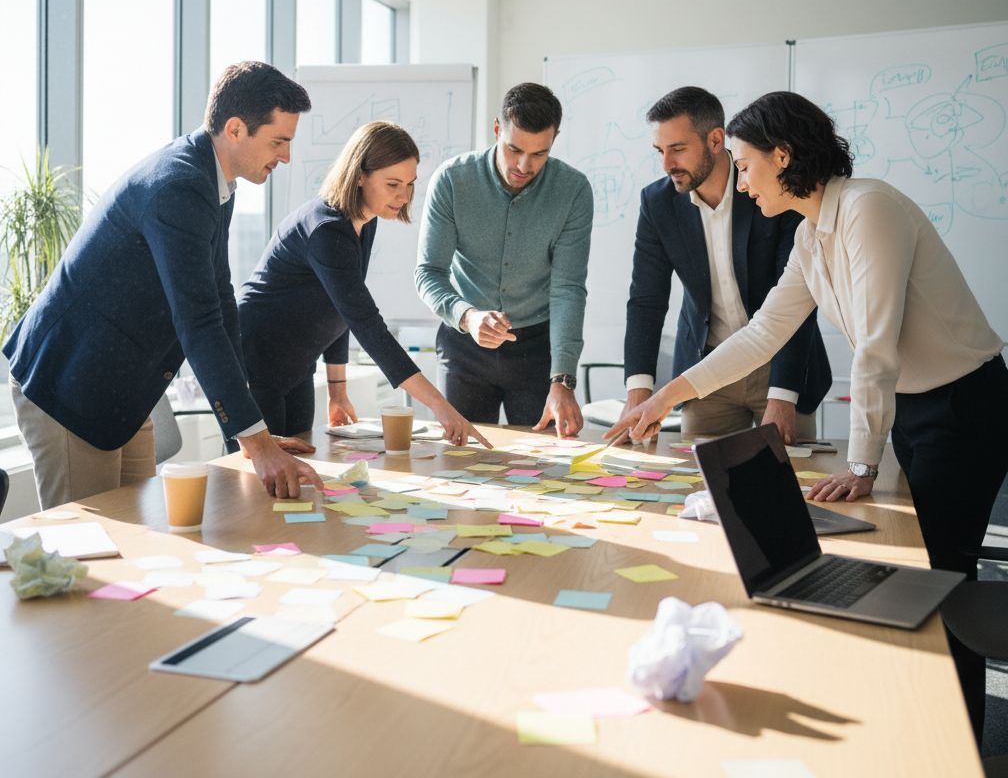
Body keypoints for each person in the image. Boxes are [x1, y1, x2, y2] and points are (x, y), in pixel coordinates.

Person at [606, 90, 1008, 740]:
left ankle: (954, 736)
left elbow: (876, 346)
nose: (741, 184)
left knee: (943, 580)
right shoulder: (811, 235)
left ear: (784, 155)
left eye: (745, 166)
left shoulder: (868, 209)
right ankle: (935, 721)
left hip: (966, 405)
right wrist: (667, 395)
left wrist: (861, 461)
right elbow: (760, 336)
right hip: (918, 409)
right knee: (929, 569)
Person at [4, 61, 325, 507]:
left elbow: (219, 301)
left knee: (138, 540)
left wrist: (252, 434)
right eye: (279, 141)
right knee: (87, 555)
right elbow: (199, 321)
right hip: (71, 384)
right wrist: (257, 444)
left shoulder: (215, 183)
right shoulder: (180, 184)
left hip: (124, 388)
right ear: (235, 129)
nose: (286, 157)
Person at [237, 121, 491, 449]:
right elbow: (367, 326)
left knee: (300, 463)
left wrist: (338, 392)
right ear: (359, 176)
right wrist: (443, 408)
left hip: (297, 363)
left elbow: (339, 308)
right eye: (393, 184)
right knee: (261, 476)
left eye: (410, 184)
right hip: (256, 360)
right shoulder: (327, 230)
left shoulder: (363, 223)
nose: (404, 195)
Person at [621, 86, 830, 441]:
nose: (666, 164)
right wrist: (639, 392)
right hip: (705, 370)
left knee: (791, 482)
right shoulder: (658, 203)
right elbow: (647, 299)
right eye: (660, 151)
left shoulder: (770, 188)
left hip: (780, 366)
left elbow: (798, 299)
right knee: (698, 484)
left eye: (678, 149)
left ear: (716, 140)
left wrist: (782, 395)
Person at [415, 83, 594, 436]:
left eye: (539, 154)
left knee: (541, 466)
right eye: (514, 149)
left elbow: (568, 289)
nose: (524, 166)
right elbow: (429, 273)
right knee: (459, 460)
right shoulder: (452, 180)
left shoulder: (573, 191)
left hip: (536, 352)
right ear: (497, 130)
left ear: (554, 140)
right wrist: (468, 316)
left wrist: (563, 380)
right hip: (464, 345)